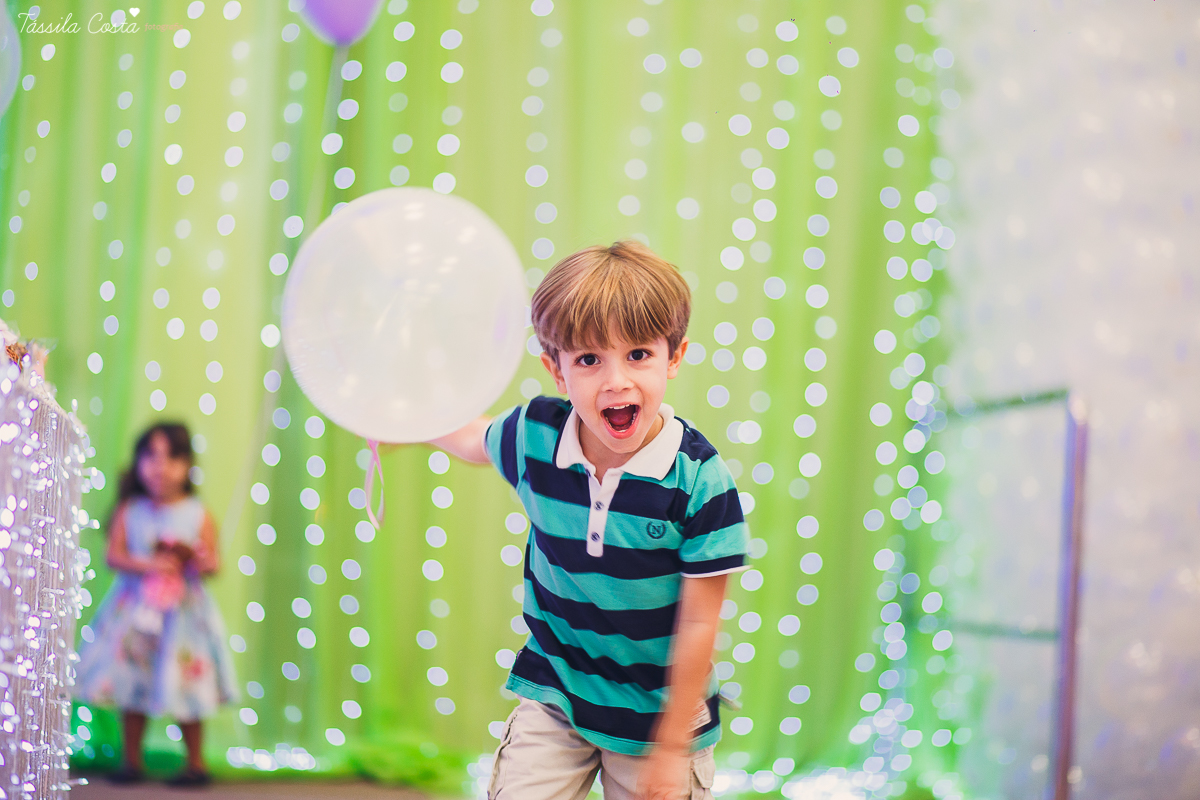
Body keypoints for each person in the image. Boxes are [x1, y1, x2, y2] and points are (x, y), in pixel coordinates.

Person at [431, 241, 749, 800]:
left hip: (659, 713)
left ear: (673, 358)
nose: (616, 381)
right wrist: (404, 417)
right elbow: (469, 438)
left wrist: (672, 746)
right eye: (588, 359)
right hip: (559, 689)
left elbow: (701, 626)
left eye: (638, 355)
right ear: (555, 369)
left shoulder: (700, 481)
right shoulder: (535, 436)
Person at [76, 423, 238, 787]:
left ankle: (196, 762)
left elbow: (213, 563)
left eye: (171, 458)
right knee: (132, 684)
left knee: (187, 687)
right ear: (138, 463)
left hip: (183, 618)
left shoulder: (198, 512)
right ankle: (130, 760)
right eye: (151, 456)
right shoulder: (130, 509)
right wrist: (149, 564)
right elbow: (113, 556)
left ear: (187, 465)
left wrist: (199, 561)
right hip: (135, 613)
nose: (160, 467)